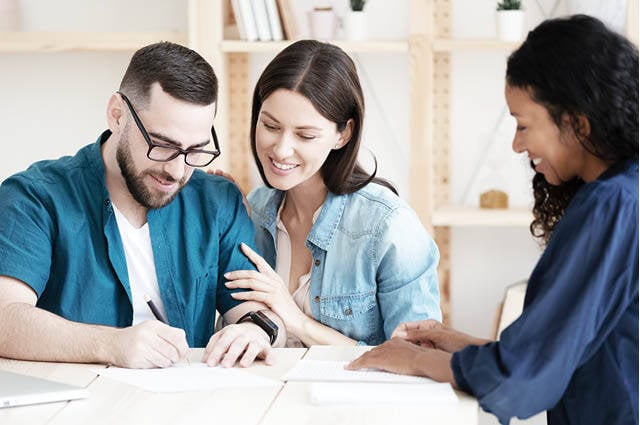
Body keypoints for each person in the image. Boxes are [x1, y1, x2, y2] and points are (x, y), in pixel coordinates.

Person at [348, 15, 638, 425]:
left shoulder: (614, 205)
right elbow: (561, 350)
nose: (517, 145)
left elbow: (524, 375)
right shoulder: (626, 193)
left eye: (523, 126)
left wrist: (414, 361)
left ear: (576, 123)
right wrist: (456, 343)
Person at [0, 42, 286, 369]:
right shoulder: (35, 198)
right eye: (163, 145)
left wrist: (253, 331)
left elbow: (255, 311)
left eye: (195, 150)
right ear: (117, 115)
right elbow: (4, 317)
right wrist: (110, 344)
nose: (178, 171)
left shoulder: (218, 201)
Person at [217, 40, 442, 347]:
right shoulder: (253, 210)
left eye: (305, 135)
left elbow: (417, 360)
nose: (281, 149)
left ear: (343, 134)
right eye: (270, 126)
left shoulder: (389, 226)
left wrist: (297, 321)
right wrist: (224, 221)